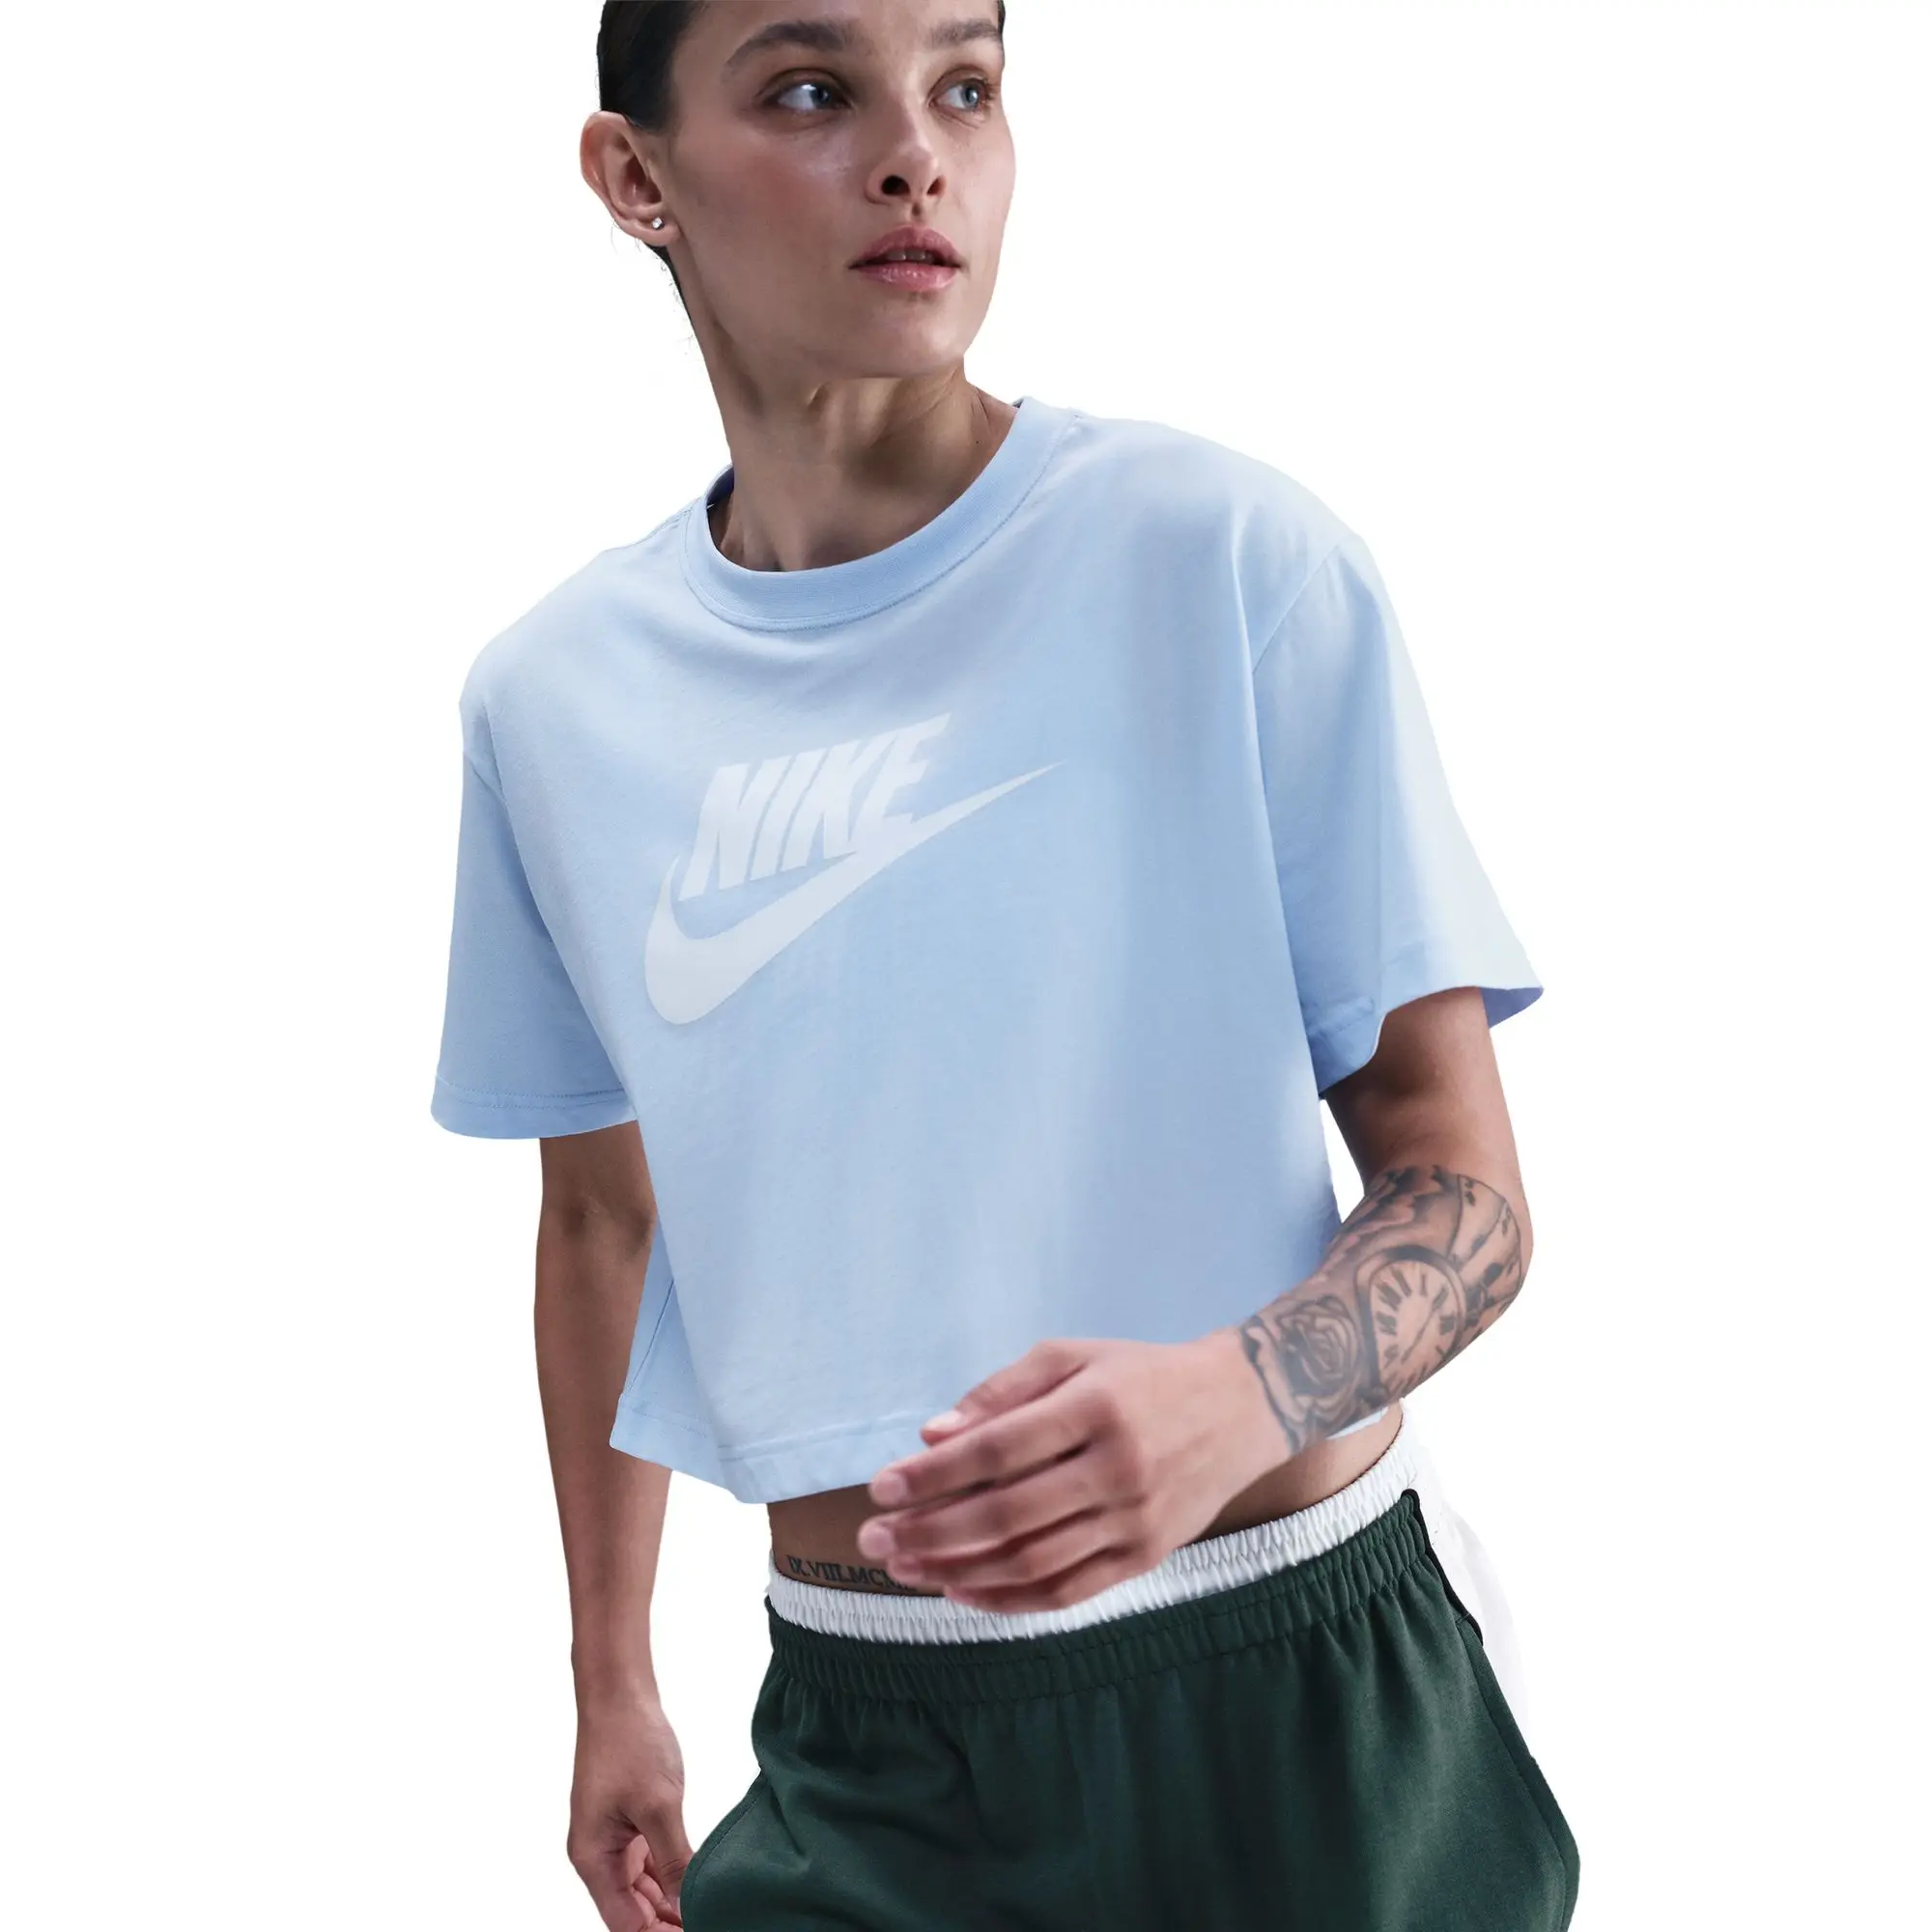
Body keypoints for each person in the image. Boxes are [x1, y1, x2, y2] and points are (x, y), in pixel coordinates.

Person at [429, 3, 1581, 1925]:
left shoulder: (1226, 561)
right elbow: (605, 1223)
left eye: (964, 86)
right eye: (814, 91)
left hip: (1288, 1688)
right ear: (635, 177)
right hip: (864, 1735)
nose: (916, 153)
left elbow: (1466, 1194)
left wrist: (1240, 1393)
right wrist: (611, 1678)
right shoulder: (553, 703)